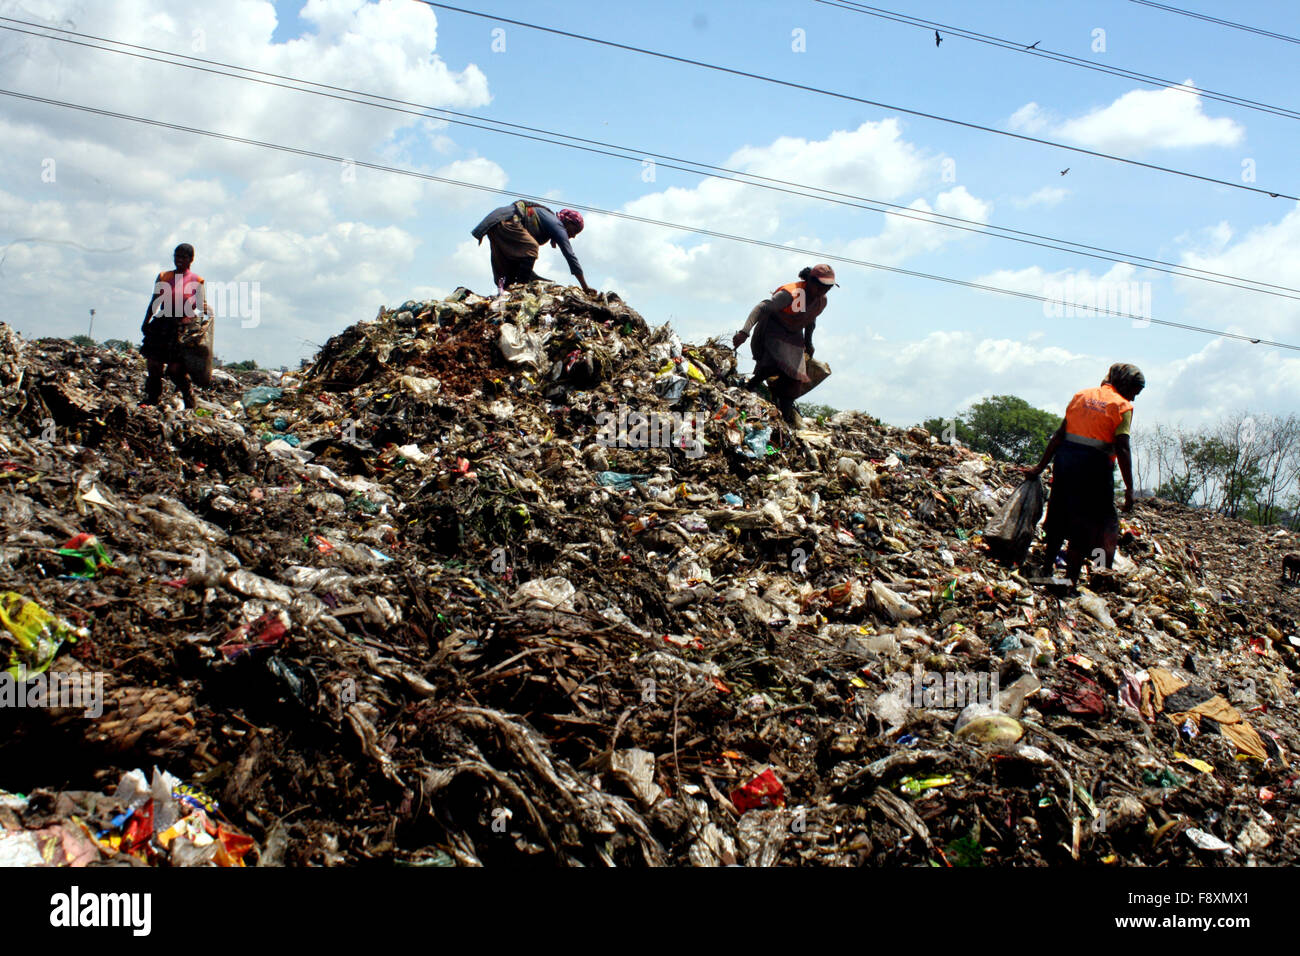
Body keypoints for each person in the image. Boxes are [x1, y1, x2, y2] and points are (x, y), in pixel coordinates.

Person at [1026, 363, 1146, 584]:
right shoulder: (1122, 406)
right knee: (1085, 525)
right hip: (1094, 472)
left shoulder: (1081, 395)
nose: (1134, 398)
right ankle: (1070, 579)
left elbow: (1059, 435)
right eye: (1134, 392)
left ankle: (1046, 570)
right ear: (1126, 384)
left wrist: (1040, 467)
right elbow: (1123, 448)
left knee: (1058, 517)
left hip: (1065, 466)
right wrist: (1129, 489)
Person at [732, 264, 837, 424]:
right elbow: (763, 307)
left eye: (827, 289)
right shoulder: (793, 293)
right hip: (773, 329)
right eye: (820, 287)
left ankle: (785, 421)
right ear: (810, 281)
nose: (823, 291)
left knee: (794, 381)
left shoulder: (821, 301)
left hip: (794, 336)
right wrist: (744, 331)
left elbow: (810, 320)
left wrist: (809, 343)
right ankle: (749, 387)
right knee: (772, 366)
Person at [471, 200, 593, 294]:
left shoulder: (549, 221)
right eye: (575, 231)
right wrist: (585, 287)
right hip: (506, 222)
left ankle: (507, 297)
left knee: (507, 275)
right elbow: (570, 256)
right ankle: (520, 289)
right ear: (568, 222)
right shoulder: (557, 225)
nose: (574, 236)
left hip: (497, 224)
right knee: (531, 248)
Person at [140, 243, 208, 409]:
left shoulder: (197, 281)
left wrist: (205, 316)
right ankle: (153, 398)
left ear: (191, 259)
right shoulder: (164, 276)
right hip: (162, 324)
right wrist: (146, 321)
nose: (179, 260)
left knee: (175, 370)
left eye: (184, 257)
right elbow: (155, 300)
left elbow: (201, 305)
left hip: (182, 328)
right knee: (154, 364)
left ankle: (189, 399)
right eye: (177, 256)